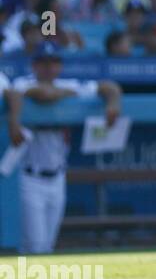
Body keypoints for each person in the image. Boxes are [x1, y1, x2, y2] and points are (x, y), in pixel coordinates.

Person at [5, 43, 123, 254]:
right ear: (34, 65)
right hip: (29, 177)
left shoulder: (67, 84)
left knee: (47, 245)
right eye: (44, 63)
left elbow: (110, 87)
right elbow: (42, 95)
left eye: (54, 62)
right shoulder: (23, 83)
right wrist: (66, 93)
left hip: (58, 177)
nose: (49, 68)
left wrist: (113, 104)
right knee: (34, 245)